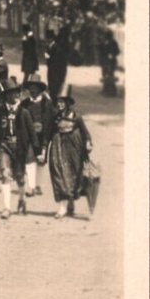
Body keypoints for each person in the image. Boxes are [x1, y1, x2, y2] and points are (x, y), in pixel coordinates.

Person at [0, 78, 40, 219]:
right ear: (6, 96)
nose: (15, 95)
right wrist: (1, 128)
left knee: (19, 177)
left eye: (16, 93)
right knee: (5, 174)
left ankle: (21, 199)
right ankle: (6, 207)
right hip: (4, 146)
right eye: (11, 93)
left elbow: (32, 133)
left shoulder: (24, 112)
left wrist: (38, 152)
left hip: (19, 148)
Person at [45, 84, 93, 218]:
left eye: (62, 101)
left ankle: (70, 201)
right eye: (58, 101)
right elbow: (49, 132)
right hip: (58, 146)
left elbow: (85, 132)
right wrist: (44, 147)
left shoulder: (76, 116)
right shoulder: (55, 116)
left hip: (74, 148)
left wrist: (88, 142)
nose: (59, 104)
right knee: (59, 174)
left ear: (67, 102)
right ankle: (62, 207)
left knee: (73, 174)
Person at [21, 74, 54, 197]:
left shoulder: (47, 104)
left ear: (40, 89)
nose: (33, 91)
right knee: (29, 159)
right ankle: (31, 186)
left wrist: (47, 140)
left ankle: (38, 184)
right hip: (29, 137)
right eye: (31, 88)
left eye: (35, 88)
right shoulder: (24, 104)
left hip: (43, 136)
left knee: (42, 160)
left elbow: (50, 122)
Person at [44, 26, 70, 100]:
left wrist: (47, 56)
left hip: (56, 72)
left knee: (54, 90)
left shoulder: (56, 48)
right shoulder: (57, 46)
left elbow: (53, 61)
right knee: (54, 89)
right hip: (56, 71)